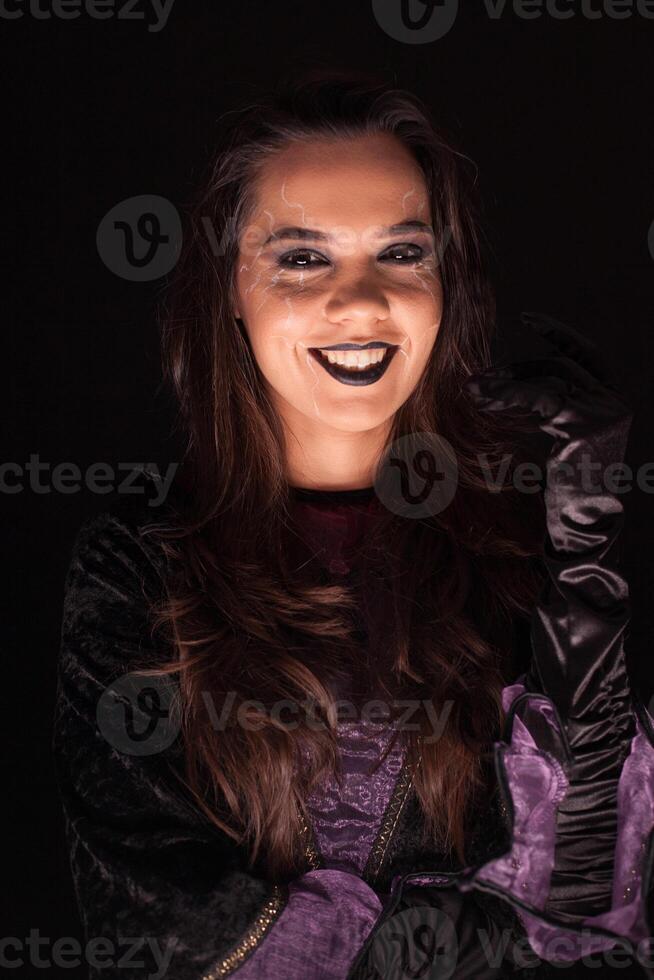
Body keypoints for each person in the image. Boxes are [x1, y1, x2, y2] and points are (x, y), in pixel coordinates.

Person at [53, 70, 654, 979]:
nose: (364, 303)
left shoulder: (521, 547)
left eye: (402, 254)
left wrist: (588, 568)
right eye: (302, 258)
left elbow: (590, 910)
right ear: (229, 290)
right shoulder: (138, 572)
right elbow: (161, 933)